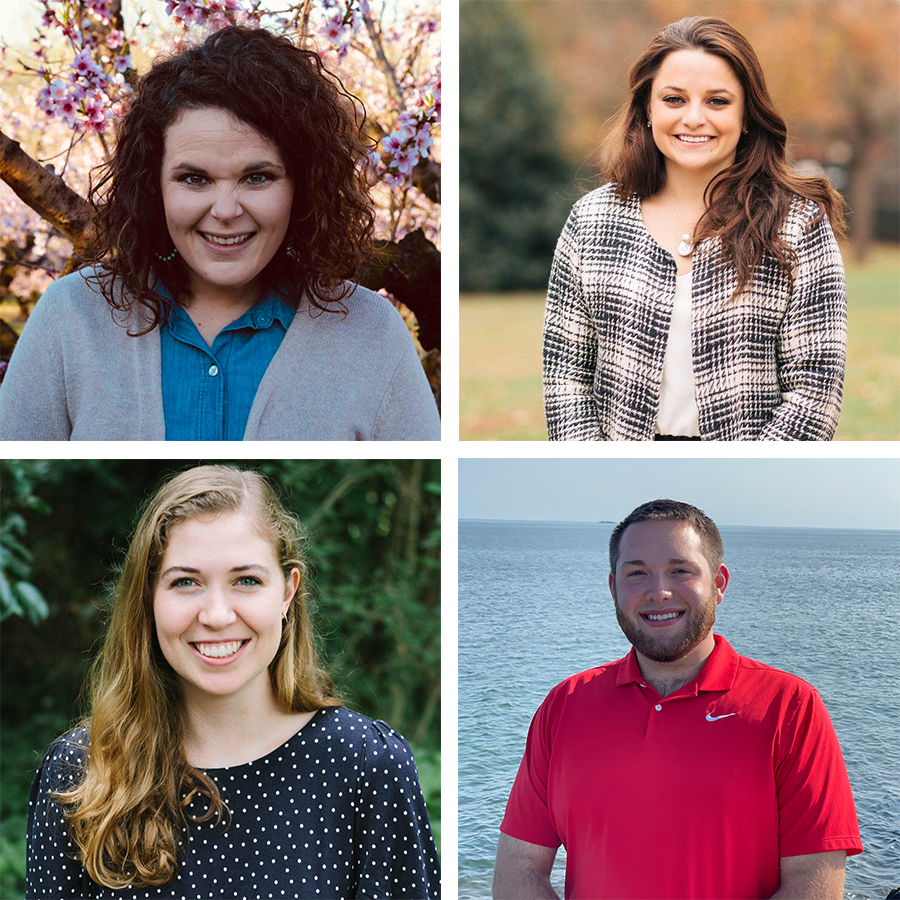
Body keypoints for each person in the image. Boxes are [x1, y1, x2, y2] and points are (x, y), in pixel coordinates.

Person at [0, 27, 440, 441]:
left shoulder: (372, 334)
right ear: (154, 186)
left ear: (301, 186)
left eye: (257, 178)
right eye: (194, 179)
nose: (226, 211)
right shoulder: (69, 318)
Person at [26, 465, 440, 899]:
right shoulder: (79, 772)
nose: (217, 615)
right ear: (149, 598)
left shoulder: (367, 765)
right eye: (186, 582)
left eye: (246, 581)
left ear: (287, 592)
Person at [493, 499, 862, 900]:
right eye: (636, 574)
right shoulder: (564, 705)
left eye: (680, 570)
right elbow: (519, 867)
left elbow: (814, 884)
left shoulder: (789, 706)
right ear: (613, 587)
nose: (659, 592)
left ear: (718, 584)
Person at [543, 17, 847, 441]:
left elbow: (815, 387)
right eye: (674, 99)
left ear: (747, 116)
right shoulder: (592, 221)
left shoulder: (796, 225)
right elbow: (565, 374)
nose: (694, 118)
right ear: (648, 109)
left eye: (718, 101)